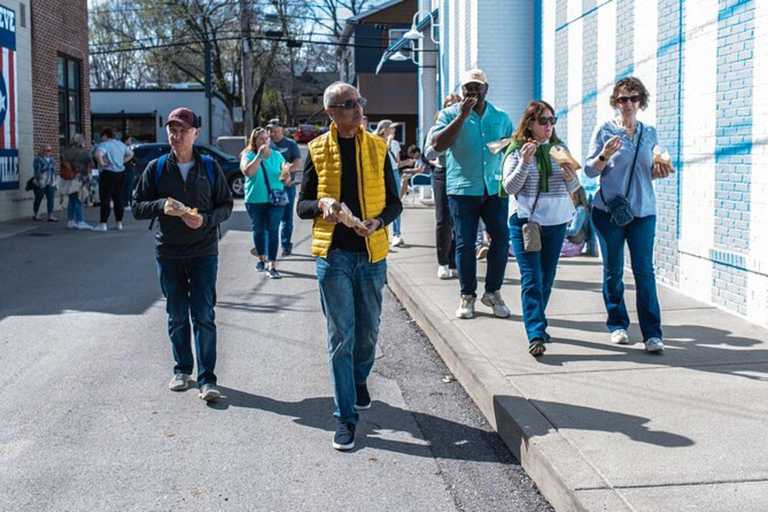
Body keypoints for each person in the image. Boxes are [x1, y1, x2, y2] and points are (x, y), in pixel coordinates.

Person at [297, 82, 402, 451]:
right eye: (348, 104)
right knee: (341, 336)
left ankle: (359, 378)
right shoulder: (316, 150)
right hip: (333, 256)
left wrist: (379, 221)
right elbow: (302, 205)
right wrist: (322, 204)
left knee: (368, 332)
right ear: (331, 113)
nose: (358, 109)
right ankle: (345, 417)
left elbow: (394, 203)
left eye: (359, 101)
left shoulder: (378, 146)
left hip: (371, 253)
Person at [132, 107, 234, 401]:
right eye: (172, 131)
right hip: (169, 252)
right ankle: (182, 370)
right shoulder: (157, 167)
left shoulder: (211, 168)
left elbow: (226, 206)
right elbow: (137, 206)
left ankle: (207, 379)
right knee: (177, 315)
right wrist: (161, 203)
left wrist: (206, 219)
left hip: (203, 251)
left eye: (183, 131)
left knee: (203, 314)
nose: (177, 136)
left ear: (195, 134)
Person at [584, 76, 674, 353]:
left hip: (643, 212)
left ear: (641, 102)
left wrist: (659, 172)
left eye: (634, 98)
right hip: (609, 212)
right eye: (623, 99)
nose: (628, 104)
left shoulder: (650, 134)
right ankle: (618, 324)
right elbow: (589, 170)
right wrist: (604, 156)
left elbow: (647, 172)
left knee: (644, 272)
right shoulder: (605, 131)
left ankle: (652, 334)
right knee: (613, 270)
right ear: (616, 102)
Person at [430, 68, 514, 319]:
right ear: (461, 90)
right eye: (468, 87)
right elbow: (436, 146)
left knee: (500, 239)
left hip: (494, 187)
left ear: (486, 89)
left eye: (477, 87)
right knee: (465, 243)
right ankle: (467, 296)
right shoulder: (448, 115)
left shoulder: (500, 116)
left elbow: (512, 146)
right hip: (462, 188)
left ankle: (493, 292)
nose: (473, 91)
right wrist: (461, 117)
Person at [502, 100, 581, 356]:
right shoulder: (516, 150)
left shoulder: (560, 149)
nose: (549, 126)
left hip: (556, 222)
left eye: (552, 120)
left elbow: (573, 188)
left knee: (546, 279)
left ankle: (539, 322)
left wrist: (570, 177)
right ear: (530, 124)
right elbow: (509, 188)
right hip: (527, 222)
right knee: (532, 279)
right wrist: (525, 162)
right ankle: (535, 333)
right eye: (543, 121)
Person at [241, 127, 290, 279]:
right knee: (259, 230)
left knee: (273, 230)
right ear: (254, 142)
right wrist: (259, 157)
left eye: (266, 138)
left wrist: (286, 177)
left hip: (276, 200)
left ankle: (272, 265)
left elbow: (286, 179)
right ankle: (261, 258)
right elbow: (248, 172)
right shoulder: (247, 155)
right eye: (260, 139)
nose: (264, 141)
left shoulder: (277, 156)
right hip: (255, 200)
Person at [425, 93, 460, 279]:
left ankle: (455, 261)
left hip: (461, 173)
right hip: (443, 173)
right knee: (444, 220)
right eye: (449, 105)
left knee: (459, 220)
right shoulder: (438, 125)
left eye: (456, 104)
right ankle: (443, 261)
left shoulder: (467, 124)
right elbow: (428, 153)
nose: (453, 108)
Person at [267, 119, 303, 256]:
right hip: (269, 187)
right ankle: (268, 246)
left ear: (282, 129)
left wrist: (286, 173)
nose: (272, 133)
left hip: (287, 186)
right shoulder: (267, 144)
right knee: (269, 217)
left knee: (287, 218)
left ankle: (286, 245)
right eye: (270, 130)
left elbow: (297, 162)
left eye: (275, 130)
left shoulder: (290, 144)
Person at [94, 128, 134, 232]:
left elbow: (98, 154)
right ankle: (119, 223)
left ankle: (103, 224)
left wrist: (102, 163)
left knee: (105, 199)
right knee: (118, 198)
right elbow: (130, 154)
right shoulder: (120, 144)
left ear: (104, 136)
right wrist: (122, 161)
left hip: (108, 172)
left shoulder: (105, 144)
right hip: (121, 172)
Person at [374, 120, 405, 247]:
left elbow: (397, 162)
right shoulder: (375, 140)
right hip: (379, 172)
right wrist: (389, 141)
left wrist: (406, 163)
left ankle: (396, 234)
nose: (394, 131)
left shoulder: (396, 143)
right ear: (384, 129)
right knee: (379, 202)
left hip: (393, 172)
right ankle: (380, 230)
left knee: (395, 202)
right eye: (391, 128)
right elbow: (381, 153)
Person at [58, 134, 95, 230]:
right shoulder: (84, 153)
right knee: (79, 200)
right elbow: (91, 165)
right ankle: (80, 221)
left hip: (68, 178)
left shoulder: (65, 152)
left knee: (71, 200)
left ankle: (70, 221)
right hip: (80, 178)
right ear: (81, 142)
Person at [561, 187, 591, 257]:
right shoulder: (573, 209)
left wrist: (557, 229)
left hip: (573, 244)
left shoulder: (580, 211)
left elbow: (574, 231)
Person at [32, 145, 58, 222]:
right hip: (41, 182)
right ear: (43, 151)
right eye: (47, 151)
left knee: (51, 198)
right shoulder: (38, 159)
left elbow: (54, 170)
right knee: (38, 198)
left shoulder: (51, 159)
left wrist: (54, 180)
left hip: (50, 181)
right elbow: (37, 170)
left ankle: (50, 215)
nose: (49, 152)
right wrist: (39, 179)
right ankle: (36, 213)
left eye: (50, 150)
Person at [122, 135, 137, 208]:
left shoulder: (128, 149)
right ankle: (126, 202)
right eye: (129, 140)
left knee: (130, 187)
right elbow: (133, 158)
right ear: (125, 141)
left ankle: (130, 202)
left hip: (129, 170)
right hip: (126, 170)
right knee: (127, 187)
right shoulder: (124, 149)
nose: (131, 142)